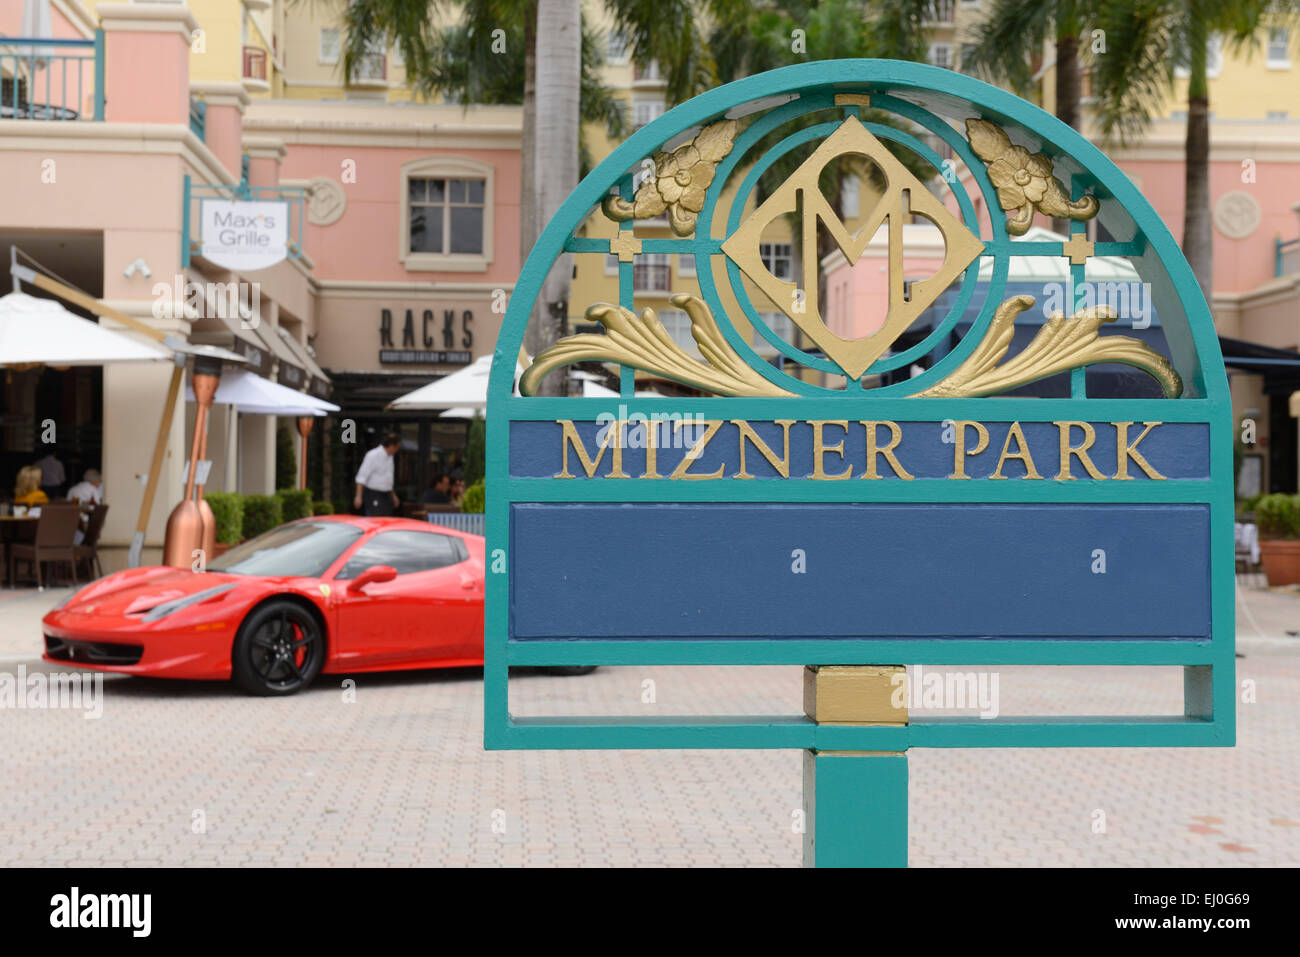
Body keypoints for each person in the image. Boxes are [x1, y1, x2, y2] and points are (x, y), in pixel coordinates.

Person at [353, 433, 401, 516]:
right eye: (397, 447)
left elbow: (388, 479)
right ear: (392, 446)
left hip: (386, 495)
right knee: (374, 520)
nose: (397, 449)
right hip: (373, 494)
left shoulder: (390, 457)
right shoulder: (373, 455)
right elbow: (361, 477)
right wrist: (358, 496)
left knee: (386, 521)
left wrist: (393, 496)